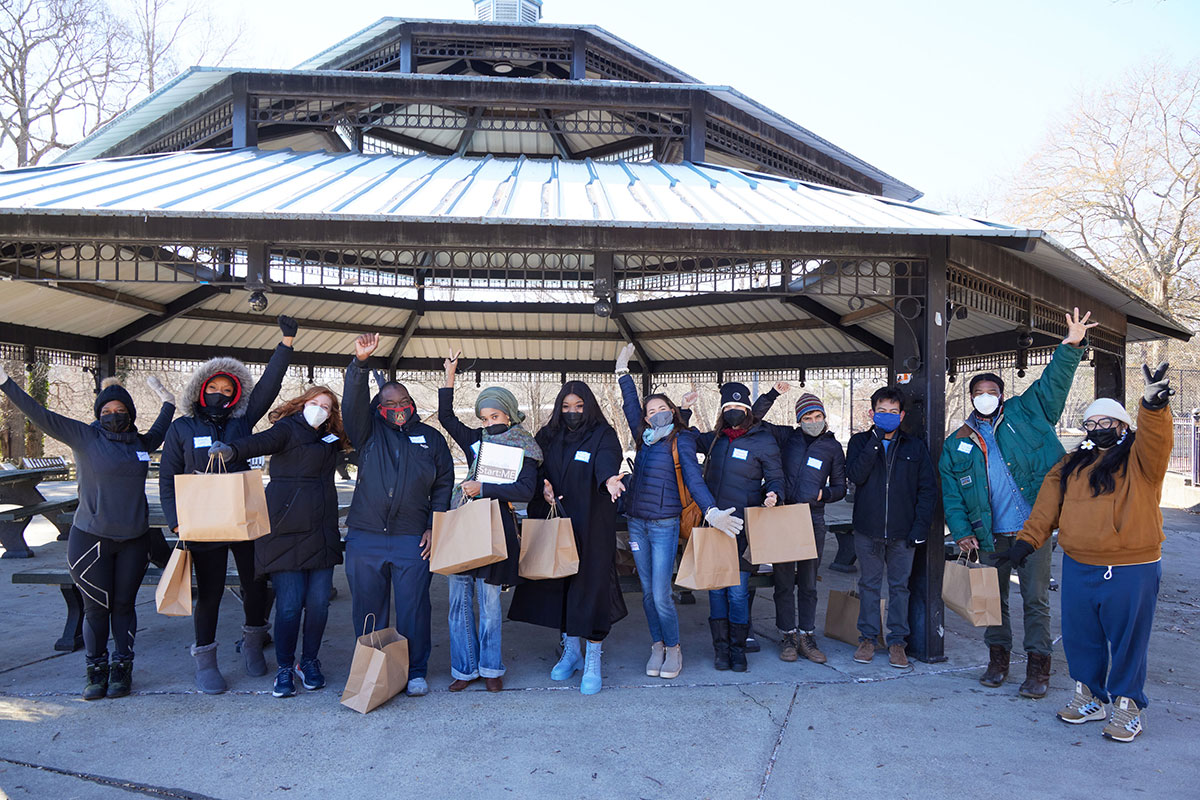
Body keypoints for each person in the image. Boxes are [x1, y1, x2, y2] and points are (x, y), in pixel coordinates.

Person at [1000, 363, 1173, 743]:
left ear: (1123, 426)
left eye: (1106, 421)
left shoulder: (1141, 461)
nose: (1098, 428)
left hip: (1132, 566)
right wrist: (1026, 543)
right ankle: (1090, 696)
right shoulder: (1070, 464)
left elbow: (1157, 441)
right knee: (1082, 636)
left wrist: (1153, 407)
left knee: (1128, 639)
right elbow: (1046, 508)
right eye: (1091, 423)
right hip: (1080, 564)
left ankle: (1128, 706)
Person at [940, 308, 1096, 697]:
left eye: (992, 392)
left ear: (1002, 396)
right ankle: (998, 660)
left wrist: (1071, 345)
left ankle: (1038, 667)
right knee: (992, 602)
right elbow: (952, 494)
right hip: (987, 536)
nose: (986, 398)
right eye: (979, 393)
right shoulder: (956, 442)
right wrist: (961, 533)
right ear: (971, 397)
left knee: (1035, 600)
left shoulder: (1028, 413)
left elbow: (1054, 383)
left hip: (1033, 531)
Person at [0, 368, 174, 699]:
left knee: (124, 606)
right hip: (90, 540)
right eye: (106, 411)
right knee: (96, 609)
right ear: (98, 415)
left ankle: (122, 668)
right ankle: (96, 669)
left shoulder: (140, 443)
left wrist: (167, 400)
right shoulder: (85, 437)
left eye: (120, 411)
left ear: (129, 414)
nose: (113, 415)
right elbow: (41, 415)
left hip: (134, 541)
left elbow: (162, 426)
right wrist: (6, 383)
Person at [159, 315, 297, 694]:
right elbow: (167, 477)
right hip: (202, 523)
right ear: (201, 391)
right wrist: (175, 522)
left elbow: (269, 386)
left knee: (255, 585)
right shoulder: (181, 428)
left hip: (241, 515)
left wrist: (284, 344)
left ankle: (254, 643)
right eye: (213, 387)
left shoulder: (242, 421)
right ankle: (205, 660)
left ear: (236, 394)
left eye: (227, 388)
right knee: (211, 592)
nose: (220, 393)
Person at [209, 386, 348, 698]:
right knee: (288, 606)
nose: (319, 409)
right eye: (314, 403)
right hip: (285, 531)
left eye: (326, 407)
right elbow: (259, 442)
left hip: (321, 532)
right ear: (301, 405)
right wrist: (231, 450)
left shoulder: (330, 438)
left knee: (318, 605)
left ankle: (308, 661)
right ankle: (285, 666)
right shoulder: (287, 429)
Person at [613, 345, 740, 680]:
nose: (656, 413)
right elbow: (629, 405)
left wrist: (711, 511)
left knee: (661, 593)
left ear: (671, 410)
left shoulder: (681, 439)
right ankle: (657, 644)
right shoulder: (644, 438)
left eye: (661, 407)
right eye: (650, 410)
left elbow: (695, 479)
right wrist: (622, 372)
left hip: (664, 524)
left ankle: (674, 647)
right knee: (646, 590)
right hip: (636, 523)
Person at [342, 333, 454, 698]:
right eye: (390, 402)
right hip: (366, 536)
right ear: (378, 407)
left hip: (411, 538)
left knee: (414, 609)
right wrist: (359, 365)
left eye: (404, 400)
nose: (399, 406)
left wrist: (435, 525)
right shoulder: (368, 433)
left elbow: (444, 484)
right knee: (369, 610)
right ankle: (373, 671)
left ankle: (415, 670)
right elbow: (352, 405)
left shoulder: (431, 439)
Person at [508, 380, 626, 695]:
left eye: (578, 406)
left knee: (591, 590)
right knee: (560, 585)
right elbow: (531, 469)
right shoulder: (547, 436)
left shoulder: (603, 434)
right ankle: (571, 651)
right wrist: (541, 487)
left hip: (591, 525)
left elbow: (605, 466)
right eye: (566, 406)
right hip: (556, 522)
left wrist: (609, 482)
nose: (572, 412)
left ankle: (593, 659)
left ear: (588, 406)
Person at [438, 350, 541, 693]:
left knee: (490, 605)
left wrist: (484, 487)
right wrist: (450, 377)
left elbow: (526, 490)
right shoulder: (476, 441)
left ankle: (491, 667)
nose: (488, 422)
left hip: (497, 529)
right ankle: (464, 669)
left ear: (509, 414)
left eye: (495, 415)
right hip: (463, 525)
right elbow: (447, 417)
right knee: (457, 603)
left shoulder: (524, 445)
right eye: (483, 417)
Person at [692, 382, 785, 673]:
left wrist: (773, 494)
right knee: (716, 590)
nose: (734, 413)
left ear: (748, 411)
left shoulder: (763, 440)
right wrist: (683, 408)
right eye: (728, 409)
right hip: (713, 524)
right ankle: (721, 649)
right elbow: (684, 438)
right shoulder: (715, 439)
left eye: (739, 408)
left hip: (742, 528)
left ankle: (738, 647)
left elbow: (775, 477)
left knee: (737, 591)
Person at [752, 385, 847, 664]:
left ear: (824, 417)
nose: (813, 422)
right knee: (783, 582)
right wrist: (771, 395)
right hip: (783, 516)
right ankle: (788, 636)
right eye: (807, 418)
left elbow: (841, 486)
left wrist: (823, 494)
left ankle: (807, 635)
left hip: (812, 518)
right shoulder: (785, 438)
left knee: (808, 582)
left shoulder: (832, 447)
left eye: (817, 416)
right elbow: (753, 420)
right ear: (799, 420)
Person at [844, 385, 936, 668]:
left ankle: (897, 643)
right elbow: (856, 476)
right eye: (881, 411)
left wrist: (920, 528)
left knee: (900, 588)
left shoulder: (915, 446)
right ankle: (868, 639)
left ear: (902, 415)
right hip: (867, 529)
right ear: (872, 413)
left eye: (893, 412)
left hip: (902, 532)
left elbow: (927, 489)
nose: (887, 416)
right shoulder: (859, 442)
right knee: (869, 586)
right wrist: (875, 440)